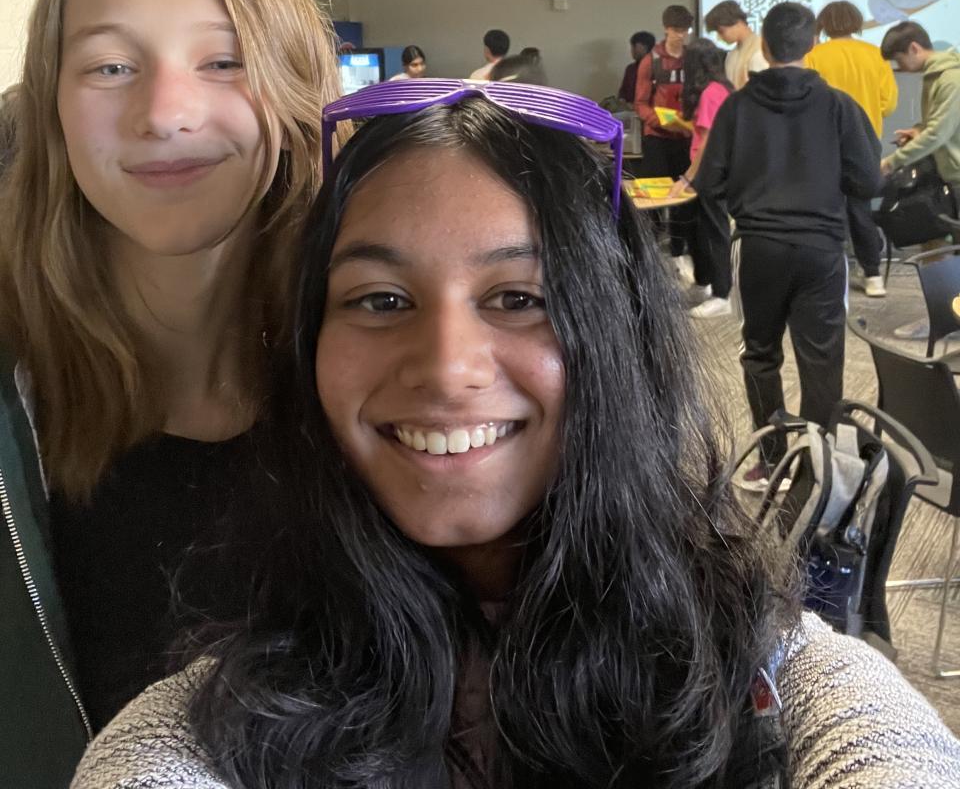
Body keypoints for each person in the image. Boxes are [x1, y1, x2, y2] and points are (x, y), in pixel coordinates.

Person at [72, 82, 960, 789]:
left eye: (517, 298)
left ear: (616, 334)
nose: (447, 367)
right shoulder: (213, 714)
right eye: (381, 300)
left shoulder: (773, 675)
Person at [0, 0, 340, 788]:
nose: (165, 113)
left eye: (223, 61)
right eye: (111, 67)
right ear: (49, 104)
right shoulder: (15, 399)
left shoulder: (377, 366)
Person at [695, 3, 882, 491]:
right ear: (812, 45)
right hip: (822, 249)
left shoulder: (737, 107)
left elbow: (709, 182)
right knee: (822, 360)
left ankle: (772, 461)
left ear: (765, 45)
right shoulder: (839, 106)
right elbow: (867, 181)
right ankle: (816, 466)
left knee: (760, 355)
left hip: (758, 247)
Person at [806, 1, 897, 298]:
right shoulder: (875, 55)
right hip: (865, 142)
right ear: (857, 22)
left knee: (828, 208)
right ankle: (873, 276)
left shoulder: (814, 56)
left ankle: (832, 275)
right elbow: (889, 104)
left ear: (824, 24)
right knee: (860, 208)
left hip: (824, 143)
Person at [878, 21, 960, 341]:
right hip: (947, 176)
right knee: (935, 249)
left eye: (899, 59)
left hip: (956, 176)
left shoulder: (950, 78)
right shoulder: (935, 76)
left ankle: (941, 321)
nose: (899, 68)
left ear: (914, 48)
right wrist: (917, 131)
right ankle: (942, 319)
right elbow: (937, 126)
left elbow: (939, 132)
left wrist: (893, 161)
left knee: (938, 252)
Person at [667, 38, 733, 318]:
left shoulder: (710, 93)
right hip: (710, 169)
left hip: (710, 171)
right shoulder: (721, 88)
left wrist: (686, 178)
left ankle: (722, 294)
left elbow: (706, 142)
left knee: (714, 231)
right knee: (697, 228)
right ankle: (703, 283)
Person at [633, 4, 695, 279]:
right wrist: (659, 120)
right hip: (657, 137)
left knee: (684, 199)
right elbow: (640, 103)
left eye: (685, 30)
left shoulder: (692, 60)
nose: (680, 35)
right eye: (676, 30)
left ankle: (680, 253)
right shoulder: (651, 61)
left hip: (685, 137)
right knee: (654, 199)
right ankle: (650, 255)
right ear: (666, 29)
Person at [704, 0, 768, 90]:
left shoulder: (761, 48)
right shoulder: (731, 55)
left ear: (738, 22)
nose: (719, 38)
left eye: (721, 31)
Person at [617, 30, 655, 105]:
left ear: (645, 47)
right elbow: (623, 91)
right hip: (629, 109)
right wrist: (622, 99)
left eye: (634, 47)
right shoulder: (630, 69)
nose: (632, 51)